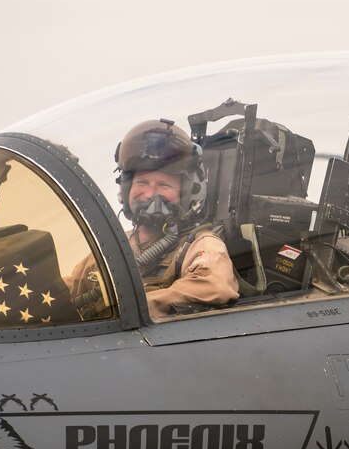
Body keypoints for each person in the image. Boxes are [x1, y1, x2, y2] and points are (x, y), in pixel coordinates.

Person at [69, 119, 239, 318]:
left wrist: (131, 310)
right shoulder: (115, 246)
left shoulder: (201, 245)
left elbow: (213, 286)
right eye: (142, 182)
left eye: (164, 185)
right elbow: (68, 289)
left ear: (187, 194)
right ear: (126, 189)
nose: (150, 194)